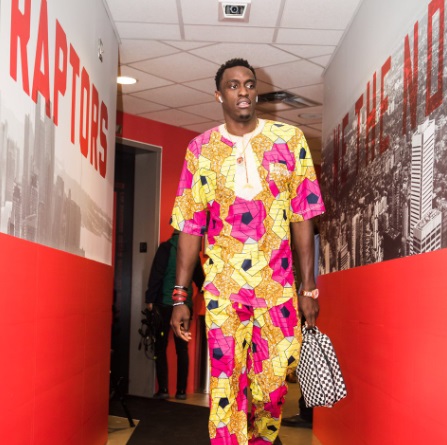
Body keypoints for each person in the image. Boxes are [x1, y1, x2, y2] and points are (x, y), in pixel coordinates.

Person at [170, 58, 325, 445]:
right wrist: (179, 296)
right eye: (234, 85)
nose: (244, 92)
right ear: (219, 94)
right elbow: (190, 227)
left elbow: (303, 216)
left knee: (272, 386)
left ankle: (260, 438)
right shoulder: (200, 149)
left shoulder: (289, 140)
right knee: (225, 388)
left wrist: (309, 288)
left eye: (250, 84)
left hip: (278, 286)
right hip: (223, 287)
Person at [145, 229, 204, 400]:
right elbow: (200, 280)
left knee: (160, 347)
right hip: (184, 306)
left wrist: (150, 299)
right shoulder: (192, 252)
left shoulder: (165, 248)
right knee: (182, 348)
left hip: (164, 304)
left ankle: (163, 389)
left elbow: (156, 276)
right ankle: (181, 391)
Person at [282, 222, 320, 429]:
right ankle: (306, 409)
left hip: (307, 306)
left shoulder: (313, 243)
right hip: (303, 303)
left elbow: (309, 279)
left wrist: (304, 298)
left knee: (308, 358)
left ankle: (307, 411)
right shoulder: (308, 244)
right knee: (305, 359)